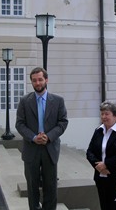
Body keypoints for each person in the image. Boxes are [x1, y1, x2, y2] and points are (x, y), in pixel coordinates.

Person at [15, 67, 69, 210]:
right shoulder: (24, 101)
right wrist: (33, 137)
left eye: (40, 79)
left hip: (50, 149)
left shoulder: (58, 101)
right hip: (31, 149)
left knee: (50, 188)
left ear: (46, 80)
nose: (37, 83)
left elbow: (63, 122)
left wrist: (49, 136)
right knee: (32, 188)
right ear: (31, 82)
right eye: (34, 80)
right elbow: (19, 124)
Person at [86, 101, 116, 210]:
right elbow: (89, 152)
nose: (103, 117)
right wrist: (99, 166)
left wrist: (106, 164)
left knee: (115, 206)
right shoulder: (98, 130)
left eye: (106, 114)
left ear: (115, 115)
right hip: (100, 177)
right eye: (102, 114)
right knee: (104, 205)